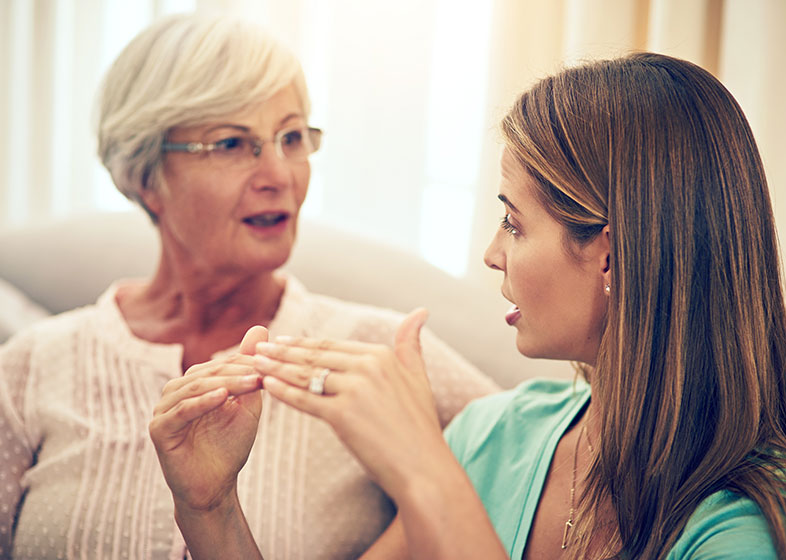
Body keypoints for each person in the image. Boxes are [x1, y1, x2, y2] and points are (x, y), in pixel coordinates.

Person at [151, 52, 786, 559]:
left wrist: (422, 470)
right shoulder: (495, 436)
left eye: (514, 222)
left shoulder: (765, 526)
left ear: (611, 253)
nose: (491, 253)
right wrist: (208, 508)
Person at [0, 13, 498, 560]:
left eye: (291, 137)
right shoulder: (29, 369)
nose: (280, 174)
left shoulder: (381, 353)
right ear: (146, 177)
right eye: (234, 144)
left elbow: (557, 455)